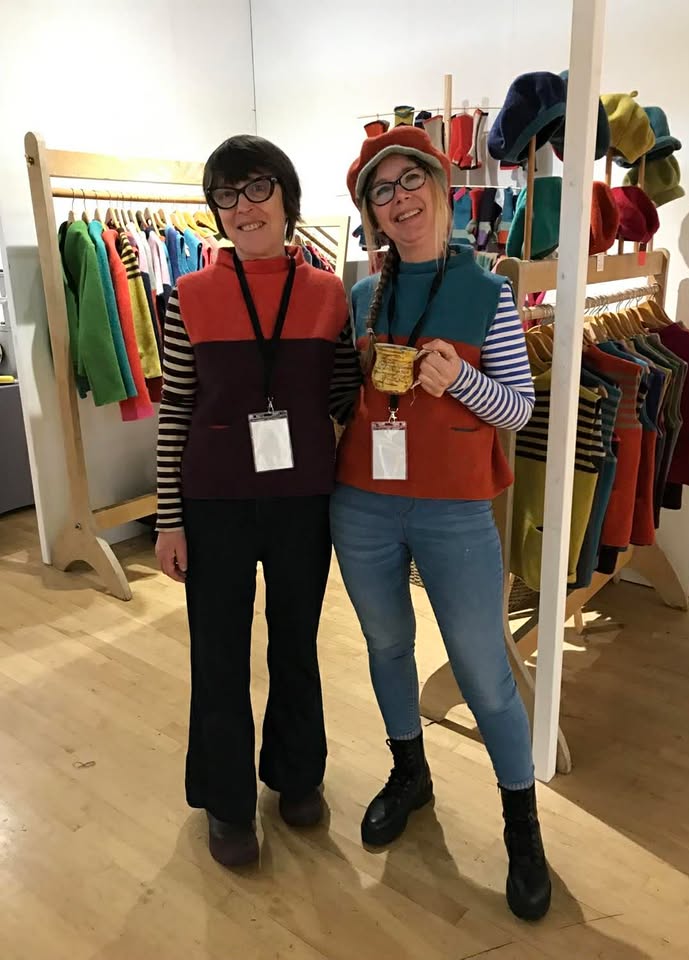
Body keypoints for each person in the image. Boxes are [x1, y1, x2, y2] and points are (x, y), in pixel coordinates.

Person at [330, 126, 552, 921]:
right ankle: (410, 773)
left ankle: (522, 827)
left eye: (410, 180)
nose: (400, 199)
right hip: (361, 503)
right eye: (381, 191)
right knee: (387, 645)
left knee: (484, 670)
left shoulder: (489, 292)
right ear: (372, 213)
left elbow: (518, 409)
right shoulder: (362, 295)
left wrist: (460, 379)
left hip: (456, 510)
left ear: (439, 186)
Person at [155, 134, 359, 867]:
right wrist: (169, 518)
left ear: (287, 197)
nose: (243, 206)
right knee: (218, 652)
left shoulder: (330, 293)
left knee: (296, 642)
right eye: (227, 194)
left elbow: (344, 396)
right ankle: (227, 800)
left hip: (304, 499)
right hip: (214, 502)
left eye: (257, 187)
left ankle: (297, 774)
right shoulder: (187, 295)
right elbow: (176, 409)